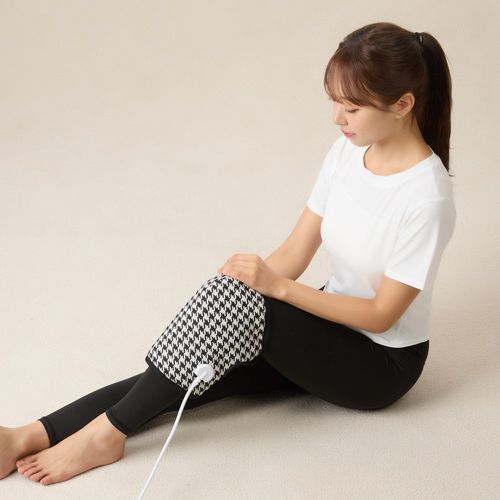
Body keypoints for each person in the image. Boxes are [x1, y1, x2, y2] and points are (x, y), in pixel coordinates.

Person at [0, 21, 457, 486]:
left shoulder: (426, 197)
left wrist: (273, 291)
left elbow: (381, 316)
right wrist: (231, 299)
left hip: (378, 364)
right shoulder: (346, 154)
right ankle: (30, 434)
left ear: (402, 105)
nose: (337, 118)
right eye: (333, 102)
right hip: (329, 325)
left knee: (224, 325)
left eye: (352, 107)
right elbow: (295, 251)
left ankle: (106, 435)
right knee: (197, 359)